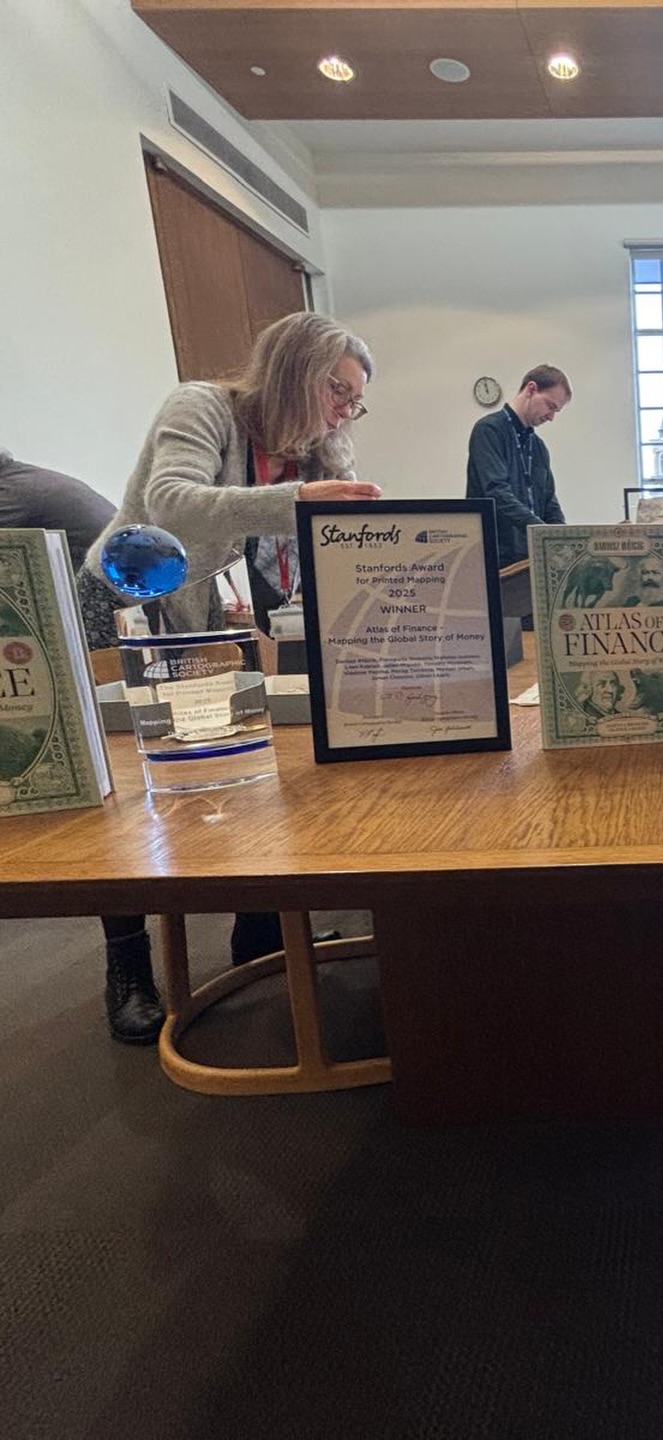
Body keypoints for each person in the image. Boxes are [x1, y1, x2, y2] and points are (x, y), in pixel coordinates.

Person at [75, 311, 382, 1044]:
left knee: (245, 760)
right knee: (120, 797)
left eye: (354, 398)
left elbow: (335, 537)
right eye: (336, 389)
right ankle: (127, 966)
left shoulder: (311, 447)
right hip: (123, 599)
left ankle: (255, 922)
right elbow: (171, 502)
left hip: (200, 601)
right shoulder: (200, 405)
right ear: (292, 370)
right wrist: (299, 502)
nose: (344, 408)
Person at [465, 365, 571, 567]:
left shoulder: (538, 447)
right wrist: (541, 533)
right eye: (550, 406)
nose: (551, 417)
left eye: (556, 410)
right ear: (531, 389)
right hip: (494, 557)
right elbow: (496, 492)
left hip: (530, 559)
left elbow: (549, 501)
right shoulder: (489, 430)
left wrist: (561, 538)